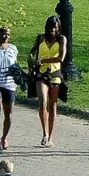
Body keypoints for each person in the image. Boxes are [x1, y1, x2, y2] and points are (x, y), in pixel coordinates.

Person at [29, 16, 67, 148]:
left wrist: (43, 61)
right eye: (50, 27)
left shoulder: (62, 39)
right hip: (41, 73)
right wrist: (31, 61)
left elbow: (61, 58)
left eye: (55, 28)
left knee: (53, 105)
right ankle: (44, 133)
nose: (53, 30)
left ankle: (51, 136)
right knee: (42, 102)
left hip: (55, 74)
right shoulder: (40, 38)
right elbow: (32, 52)